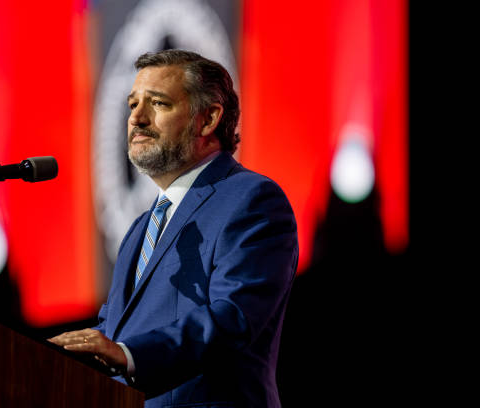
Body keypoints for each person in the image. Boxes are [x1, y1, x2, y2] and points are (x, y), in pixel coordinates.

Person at [48, 50, 298, 408]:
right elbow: (116, 329)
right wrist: (59, 354)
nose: (137, 117)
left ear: (209, 118)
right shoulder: (140, 229)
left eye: (158, 103)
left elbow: (234, 317)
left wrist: (129, 354)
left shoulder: (252, 200)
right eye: (133, 104)